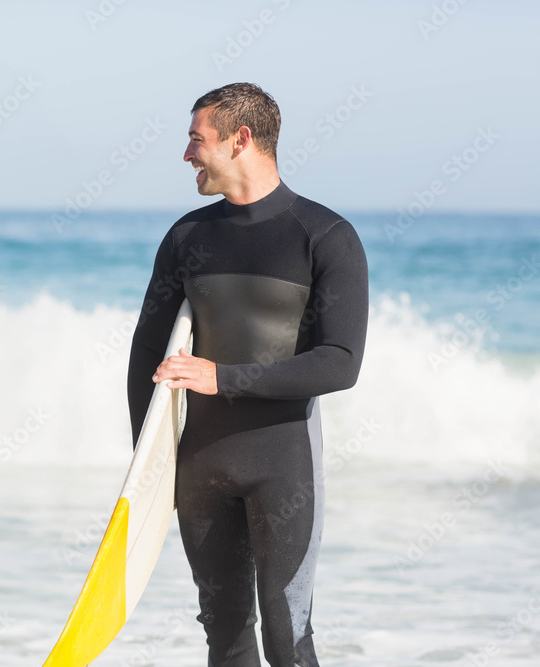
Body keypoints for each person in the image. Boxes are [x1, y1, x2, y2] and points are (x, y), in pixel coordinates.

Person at [126, 82, 368, 667]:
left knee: (288, 638)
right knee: (226, 635)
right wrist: (149, 465)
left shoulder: (325, 237)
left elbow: (340, 362)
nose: (187, 155)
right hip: (201, 467)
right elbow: (144, 355)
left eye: (195, 139)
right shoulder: (189, 237)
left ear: (240, 139)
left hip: (282, 464)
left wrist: (223, 379)